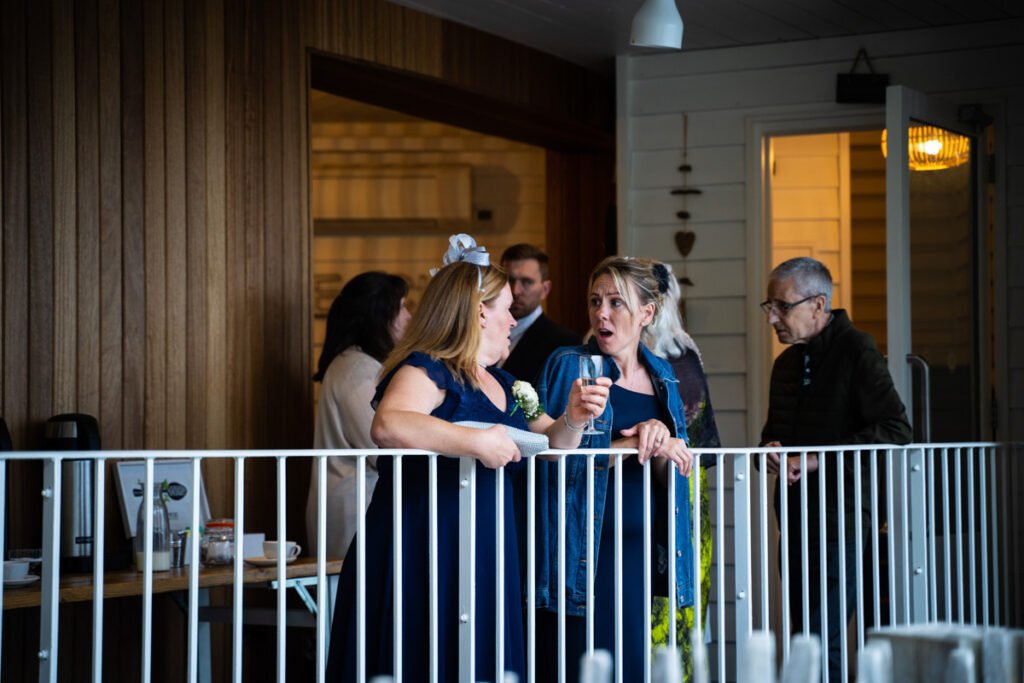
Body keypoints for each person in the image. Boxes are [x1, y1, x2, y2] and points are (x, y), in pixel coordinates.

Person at [325, 234, 610, 683]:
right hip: (422, 537)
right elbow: (389, 425)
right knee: (420, 651)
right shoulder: (427, 366)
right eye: (507, 310)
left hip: (486, 541)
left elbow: (554, 446)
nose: (514, 322)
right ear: (479, 313)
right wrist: (474, 442)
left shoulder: (508, 382)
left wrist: (573, 418)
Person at [532, 256, 695, 683]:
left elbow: (668, 472)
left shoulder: (664, 376)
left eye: (615, 303)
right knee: (577, 667)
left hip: (637, 553)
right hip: (582, 551)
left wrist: (662, 442)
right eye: (595, 301)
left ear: (647, 313)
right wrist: (627, 442)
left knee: (630, 667)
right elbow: (545, 451)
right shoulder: (570, 364)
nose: (601, 313)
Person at [760, 256, 912, 681]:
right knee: (804, 637)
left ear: (818, 305)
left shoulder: (856, 349)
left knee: (818, 636)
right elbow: (772, 434)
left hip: (842, 517)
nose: (772, 317)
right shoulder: (786, 364)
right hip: (792, 517)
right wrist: (769, 452)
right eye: (768, 306)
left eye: (781, 306)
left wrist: (814, 458)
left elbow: (897, 428)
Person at [643, 260, 720, 681]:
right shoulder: (680, 350)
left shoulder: (679, 354)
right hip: (664, 485)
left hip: (679, 487)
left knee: (676, 599)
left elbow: (693, 436)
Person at [306, 272, 411, 560]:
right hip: (357, 511)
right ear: (380, 315)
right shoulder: (356, 370)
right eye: (401, 307)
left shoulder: (356, 364)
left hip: (356, 508)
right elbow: (382, 448)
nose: (409, 317)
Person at [500, 243, 579, 384]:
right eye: (509, 280)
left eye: (527, 282)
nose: (515, 291)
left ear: (545, 289)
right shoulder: (481, 333)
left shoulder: (565, 344)